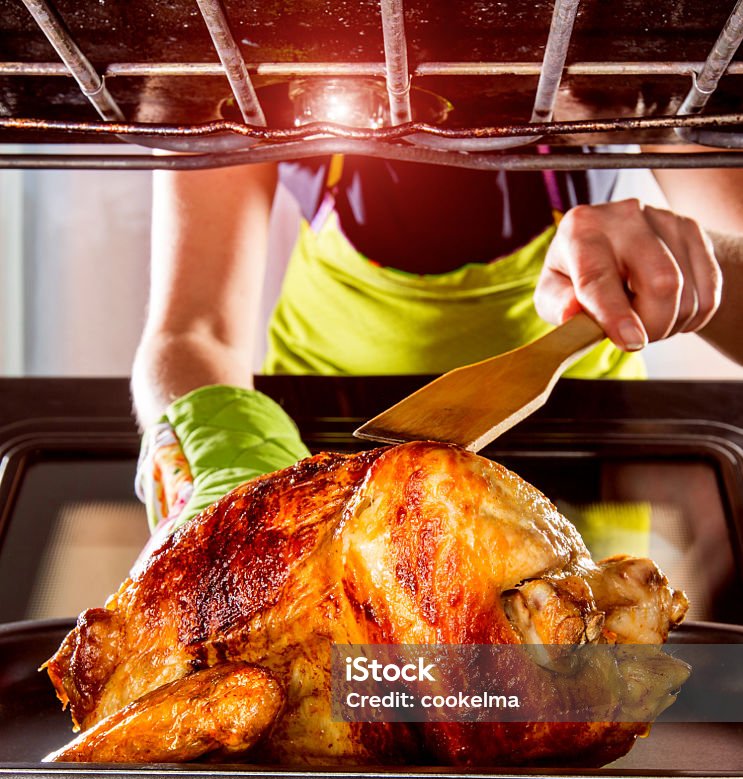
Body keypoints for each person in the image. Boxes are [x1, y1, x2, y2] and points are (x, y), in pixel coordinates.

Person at [131, 151, 743, 542]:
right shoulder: (246, 36)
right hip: (317, 450)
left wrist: (695, 259)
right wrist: (226, 461)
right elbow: (190, 330)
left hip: (580, 460)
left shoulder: (622, 33)